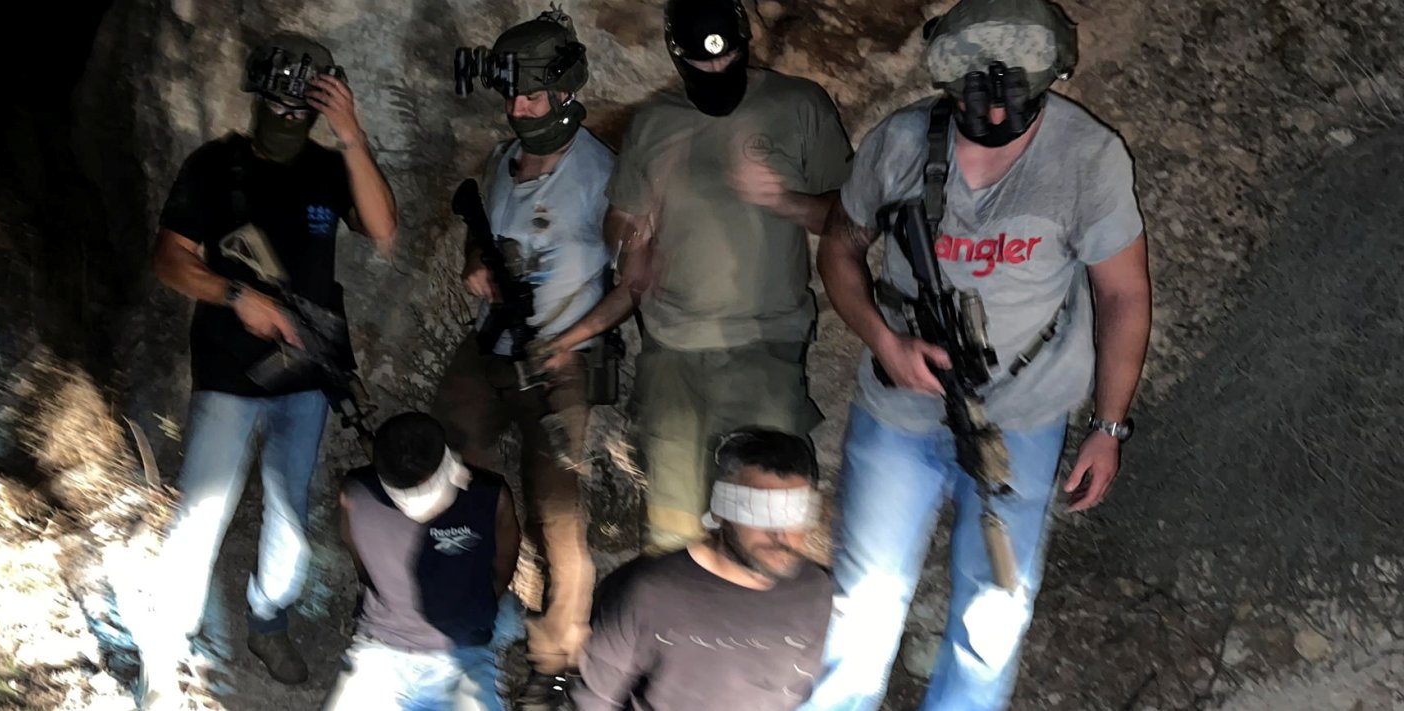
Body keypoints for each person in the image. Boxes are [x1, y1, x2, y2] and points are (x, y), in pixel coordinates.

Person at [802, 1, 1152, 709]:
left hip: (1022, 417)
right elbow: (840, 248)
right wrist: (883, 340)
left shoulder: (1087, 156)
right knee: (860, 610)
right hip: (898, 415)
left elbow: (1123, 297)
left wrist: (1108, 427)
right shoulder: (900, 143)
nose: (992, 118)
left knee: (992, 617)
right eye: (973, 99)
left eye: (1012, 99)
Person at [142, 31, 398, 694]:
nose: (289, 120)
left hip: (305, 375)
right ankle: (165, 648)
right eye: (280, 108)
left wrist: (352, 136)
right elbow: (170, 259)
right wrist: (236, 294)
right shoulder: (212, 166)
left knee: (291, 509)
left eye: (302, 111)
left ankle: (270, 621)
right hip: (230, 375)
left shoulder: (325, 166)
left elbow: (384, 229)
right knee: (201, 511)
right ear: (260, 97)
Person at [565, 0, 853, 555]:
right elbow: (617, 225)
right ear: (678, 57)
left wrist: (783, 200)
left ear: (744, 41)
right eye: (702, 65)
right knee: (672, 535)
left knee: (769, 526)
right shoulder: (654, 122)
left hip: (764, 347)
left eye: (730, 59)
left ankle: (762, 635)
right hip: (673, 354)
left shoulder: (798, 106)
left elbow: (849, 220)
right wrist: (632, 236)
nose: (718, 72)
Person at [429, 7, 613, 707]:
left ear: (566, 91)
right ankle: (464, 605)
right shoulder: (501, 161)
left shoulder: (603, 174)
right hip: (493, 345)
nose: (520, 109)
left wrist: (571, 343)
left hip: (563, 360)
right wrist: (476, 261)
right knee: (450, 470)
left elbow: (635, 282)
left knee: (558, 514)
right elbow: (484, 233)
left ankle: (558, 654)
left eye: (533, 95)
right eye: (513, 96)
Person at [569, 427, 833, 711]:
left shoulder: (815, 592)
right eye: (759, 511)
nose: (780, 534)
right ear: (720, 509)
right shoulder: (647, 592)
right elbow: (592, 701)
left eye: (795, 513)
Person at [321, 412, 518, 711]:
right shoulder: (355, 494)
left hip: (463, 652)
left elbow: (504, 565)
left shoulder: (488, 497)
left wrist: (473, 613)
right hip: (381, 651)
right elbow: (363, 566)